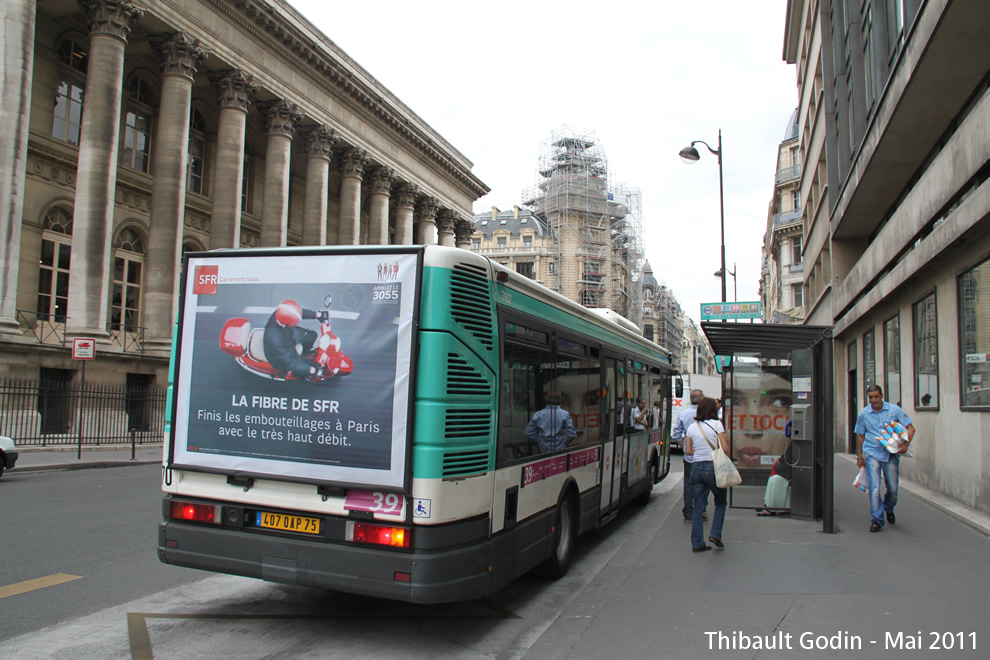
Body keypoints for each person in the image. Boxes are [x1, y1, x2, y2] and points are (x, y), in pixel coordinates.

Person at [855, 383, 916, 532]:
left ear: (882, 396)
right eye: (871, 397)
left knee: (893, 489)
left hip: (890, 453)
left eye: (876, 396)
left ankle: (888, 508)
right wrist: (859, 456)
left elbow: (911, 427)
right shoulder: (864, 414)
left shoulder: (894, 410)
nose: (874, 400)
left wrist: (906, 445)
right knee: (874, 488)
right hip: (872, 452)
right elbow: (860, 435)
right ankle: (877, 519)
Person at [684, 397, 729, 552]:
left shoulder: (692, 427)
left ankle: (697, 544)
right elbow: (725, 448)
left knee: (698, 507)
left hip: (696, 468)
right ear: (713, 409)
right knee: (721, 502)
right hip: (713, 467)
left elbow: (688, 451)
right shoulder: (717, 424)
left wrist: (699, 451)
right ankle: (715, 533)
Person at [263, 300, 327, 380]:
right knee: (301, 367)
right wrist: (311, 370)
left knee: (312, 335)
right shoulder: (274, 341)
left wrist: (317, 315)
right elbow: (289, 363)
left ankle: (306, 351)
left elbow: (297, 313)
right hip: (283, 348)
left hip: (287, 334)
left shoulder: (281, 313)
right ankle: (299, 375)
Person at [672, 389, 707, 523]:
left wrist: (684, 447)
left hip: (690, 458)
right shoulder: (707, 415)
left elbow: (676, 435)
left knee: (689, 484)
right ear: (702, 399)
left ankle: (688, 512)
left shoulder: (683, 414)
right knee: (704, 484)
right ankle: (702, 509)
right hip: (705, 457)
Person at [756, 424, 794, 516]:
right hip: (791, 467)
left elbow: (788, 457)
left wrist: (780, 460)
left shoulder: (795, 442)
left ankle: (771, 508)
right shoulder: (793, 442)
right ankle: (768, 504)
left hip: (793, 469)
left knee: (775, 480)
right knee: (772, 478)